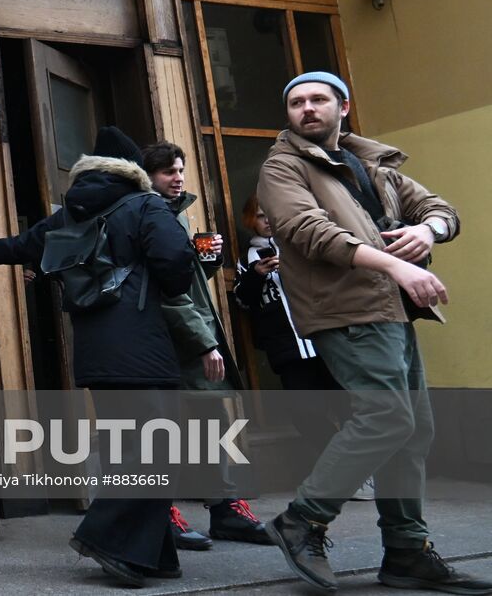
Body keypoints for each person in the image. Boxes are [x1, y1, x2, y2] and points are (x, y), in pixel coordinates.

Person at [258, 72, 492, 595]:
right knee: (386, 416)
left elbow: (443, 210)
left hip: (392, 312)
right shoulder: (283, 167)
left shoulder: (373, 164)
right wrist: (396, 266)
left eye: (318, 99)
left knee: (413, 430)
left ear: (343, 105)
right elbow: (309, 232)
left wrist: (423, 231)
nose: (307, 109)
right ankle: (302, 519)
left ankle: (406, 551)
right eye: (296, 102)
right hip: (345, 310)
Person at [0, 126, 195, 587]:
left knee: (134, 449)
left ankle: (155, 555)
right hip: (142, 348)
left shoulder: (71, 212)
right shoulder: (145, 205)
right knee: (156, 451)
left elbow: (26, 245)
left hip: (96, 351)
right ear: (135, 171)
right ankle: (105, 538)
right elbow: (174, 259)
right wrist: (174, 283)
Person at [140, 141, 269, 548]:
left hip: (192, 335)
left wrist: (206, 262)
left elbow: (185, 284)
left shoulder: (173, 218)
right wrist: (203, 342)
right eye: (168, 172)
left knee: (211, 422)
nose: (178, 178)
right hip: (171, 341)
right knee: (166, 431)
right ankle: (163, 512)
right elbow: (166, 293)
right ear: (147, 177)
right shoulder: (149, 216)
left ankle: (225, 508)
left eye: (180, 170)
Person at [232, 194, 375, 502]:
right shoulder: (247, 259)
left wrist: (295, 269)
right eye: (259, 215)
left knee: (347, 405)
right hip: (288, 349)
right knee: (305, 412)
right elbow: (243, 301)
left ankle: (361, 473)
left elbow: (334, 278)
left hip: (326, 339)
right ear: (250, 220)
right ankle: (342, 470)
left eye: (270, 213)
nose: (267, 220)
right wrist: (258, 277)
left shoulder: (299, 244)